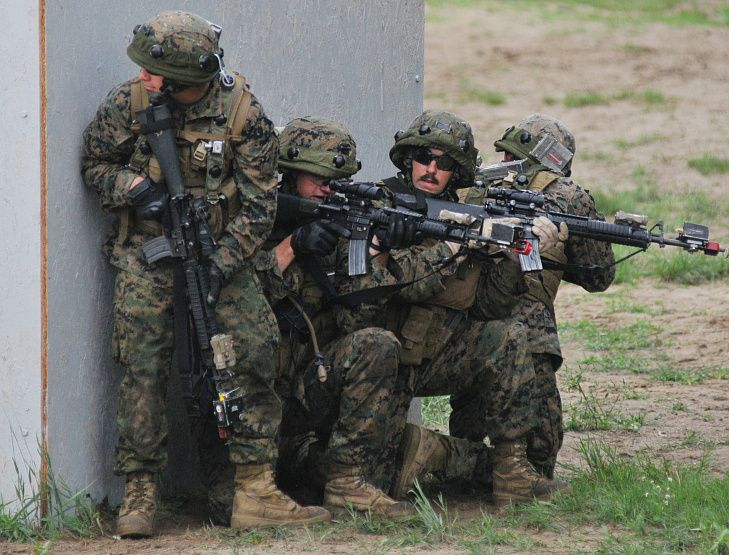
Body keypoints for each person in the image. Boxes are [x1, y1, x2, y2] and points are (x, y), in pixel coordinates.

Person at [81, 11, 329, 536]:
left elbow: (260, 208)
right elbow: (95, 164)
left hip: (221, 254)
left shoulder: (243, 114)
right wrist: (135, 189)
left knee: (253, 350)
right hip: (146, 254)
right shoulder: (129, 103)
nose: (143, 78)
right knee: (143, 365)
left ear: (183, 79)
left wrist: (220, 265)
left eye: (154, 72)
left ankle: (256, 487)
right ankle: (140, 491)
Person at [374, 110, 568, 503]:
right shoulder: (383, 204)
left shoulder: (466, 215)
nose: (431, 169)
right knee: (377, 476)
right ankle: (435, 452)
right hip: (383, 362)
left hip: (439, 355)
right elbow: (401, 283)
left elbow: (489, 306)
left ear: (458, 171)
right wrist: (456, 245)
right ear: (408, 158)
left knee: (508, 335)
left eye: (444, 163)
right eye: (424, 158)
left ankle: (511, 470)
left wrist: (513, 257)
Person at [254, 116, 414, 518]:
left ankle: (345, 482)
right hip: (255, 399)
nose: (328, 190)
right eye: (319, 179)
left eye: (336, 181)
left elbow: (354, 323)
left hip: (307, 395)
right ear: (291, 173)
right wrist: (292, 246)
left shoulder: (336, 229)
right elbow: (240, 301)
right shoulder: (255, 219)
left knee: (378, 344)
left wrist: (377, 251)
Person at [452, 113, 616, 478]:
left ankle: (468, 465)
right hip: (524, 331)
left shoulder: (470, 184)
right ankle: (528, 470)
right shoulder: (569, 196)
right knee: (538, 453)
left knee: (468, 424)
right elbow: (599, 276)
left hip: (462, 320)